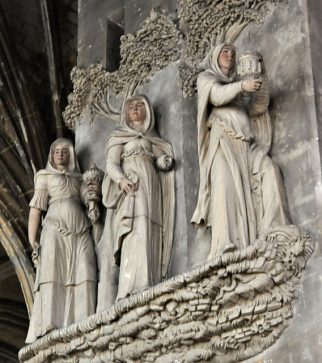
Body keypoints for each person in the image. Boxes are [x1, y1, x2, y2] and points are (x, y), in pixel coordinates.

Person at [191, 43, 288, 259]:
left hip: (247, 146)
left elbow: (257, 108)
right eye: (225, 52)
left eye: (233, 53)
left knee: (269, 169)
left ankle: (274, 229)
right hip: (222, 144)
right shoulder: (206, 79)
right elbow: (216, 96)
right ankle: (226, 244)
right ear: (215, 57)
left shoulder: (239, 86)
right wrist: (243, 85)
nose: (230, 55)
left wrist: (261, 83)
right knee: (224, 187)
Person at [96, 95, 175, 311]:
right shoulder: (119, 137)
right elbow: (111, 164)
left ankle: (149, 280)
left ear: (147, 111)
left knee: (150, 228)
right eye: (131, 106)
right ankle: (130, 287)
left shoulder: (152, 138)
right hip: (132, 185)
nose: (135, 108)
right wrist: (121, 180)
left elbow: (160, 157)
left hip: (151, 186)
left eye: (140, 105)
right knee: (134, 230)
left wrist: (163, 161)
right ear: (126, 113)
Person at [26, 138, 96, 343]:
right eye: (56, 150)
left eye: (65, 150)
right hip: (54, 229)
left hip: (80, 228)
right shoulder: (45, 177)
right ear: (51, 155)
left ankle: (85, 318)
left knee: (85, 267)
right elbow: (35, 209)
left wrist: (93, 199)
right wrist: (33, 239)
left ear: (72, 154)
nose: (60, 153)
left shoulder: (78, 178)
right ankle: (50, 321)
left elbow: (88, 197)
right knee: (52, 273)